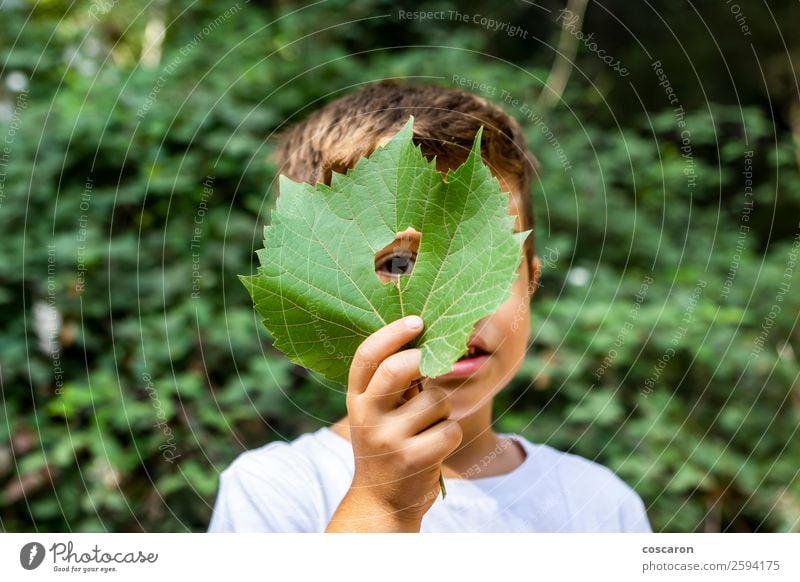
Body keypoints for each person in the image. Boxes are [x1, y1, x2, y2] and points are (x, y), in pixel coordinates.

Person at [208, 80, 652, 533]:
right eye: (397, 262)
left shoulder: (602, 506)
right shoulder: (274, 490)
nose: (446, 308)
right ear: (312, 295)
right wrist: (381, 505)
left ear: (531, 277)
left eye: (482, 259)